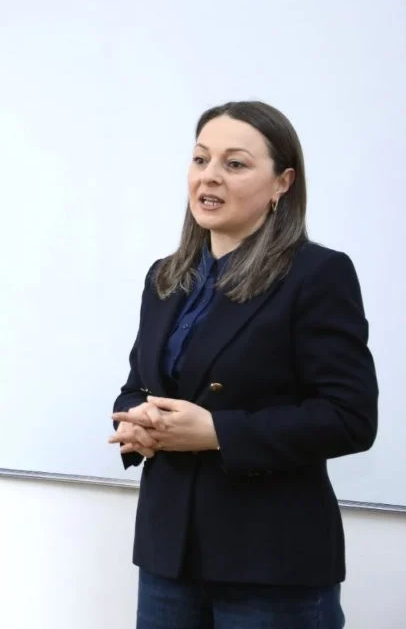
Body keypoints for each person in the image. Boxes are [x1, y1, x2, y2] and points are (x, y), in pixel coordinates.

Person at [108, 100, 377, 629]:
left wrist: (217, 433)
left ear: (282, 183)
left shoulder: (317, 275)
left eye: (235, 164)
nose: (210, 176)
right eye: (201, 159)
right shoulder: (165, 277)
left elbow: (351, 417)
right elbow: (138, 386)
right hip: (168, 556)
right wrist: (137, 420)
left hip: (270, 561)